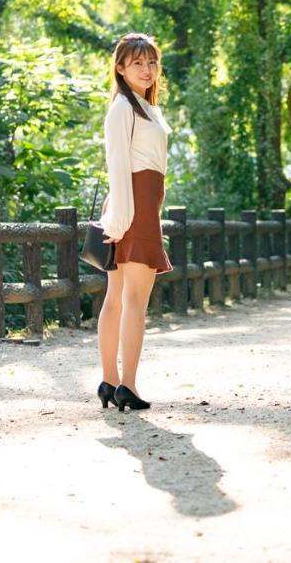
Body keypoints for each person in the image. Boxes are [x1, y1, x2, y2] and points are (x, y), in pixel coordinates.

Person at [96, 32, 174, 411]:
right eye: (137, 63)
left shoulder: (146, 107)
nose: (147, 70)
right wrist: (120, 220)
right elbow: (118, 167)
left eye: (152, 62)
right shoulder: (123, 108)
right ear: (120, 68)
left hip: (137, 206)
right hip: (132, 209)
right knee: (131, 302)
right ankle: (125, 384)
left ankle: (111, 382)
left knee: (118, 299)